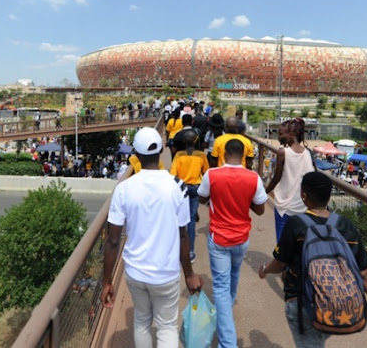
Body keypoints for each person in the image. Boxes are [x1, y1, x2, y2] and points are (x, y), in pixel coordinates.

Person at [257, 172, 367, 348]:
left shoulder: (296, 224)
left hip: (302, 303)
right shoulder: (345, 225)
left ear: (304, 196)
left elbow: (280, 263)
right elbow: (366, 275)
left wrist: (264, 269)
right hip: (338, 305)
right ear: (328, 196)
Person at [101, 127, 203, 347]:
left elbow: (112, 240)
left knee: (141, 321)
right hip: (166, 271)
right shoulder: (178, 187)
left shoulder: (123, 189)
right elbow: (183, 236)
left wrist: (107, 281)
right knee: (166, 326)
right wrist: (189, 274)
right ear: (163, 150)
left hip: (135, 271)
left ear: (135, 155)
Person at [198, 139, 267, 347]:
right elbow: (261, 209)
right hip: (241, 238)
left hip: (219, 237)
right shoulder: (253, 178)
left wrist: (216, 198)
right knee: (233, 276)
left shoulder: (212, 175)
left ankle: (227, 343)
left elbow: (201, 198)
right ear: (244, 156)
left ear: (225, 154)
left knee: (220, 286)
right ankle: (225, 314)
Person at [265, 118, 315, 243]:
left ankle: (281, 261)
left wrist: (264, 191)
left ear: (291, 135)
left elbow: (276, 178)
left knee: (282, 242)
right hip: (302, 205)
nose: (278, 136)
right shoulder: (307, 153)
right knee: (298, 241)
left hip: (285, 206)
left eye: (281, 134)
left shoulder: (283, 152)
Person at [170, 129, 210, 263]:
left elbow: (173, 174)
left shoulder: (178, 155)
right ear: (196, 141)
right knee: (191, 219)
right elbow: (206, 172)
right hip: (195, 188)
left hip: (182, 188)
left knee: (178, 219)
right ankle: (191, 251)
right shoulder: (201, 156)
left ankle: (177, 249)